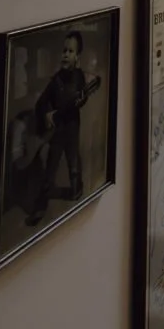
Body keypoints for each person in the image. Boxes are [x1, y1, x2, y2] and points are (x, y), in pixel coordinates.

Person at [25, 30, 101, 226]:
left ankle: (77, 190)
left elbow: (84, 95)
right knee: (50, 168)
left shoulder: (80, 78)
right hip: (56, 134)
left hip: (72, 131)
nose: (65, 54)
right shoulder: (55, 80)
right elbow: (41, 104)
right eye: (64, 50)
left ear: (77, 56)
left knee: (74, 164)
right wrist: (47, 115)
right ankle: (40, 207)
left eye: (70, 51)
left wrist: (80, 99)